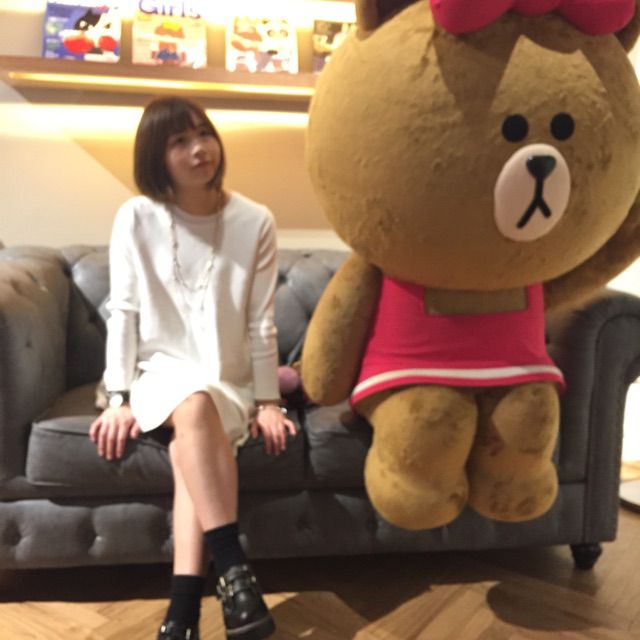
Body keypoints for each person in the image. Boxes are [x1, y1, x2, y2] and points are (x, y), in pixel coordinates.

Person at [89, 95, 296, 640]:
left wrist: (268, 401)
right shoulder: (137, 217)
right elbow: (124, 312)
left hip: (226, 378)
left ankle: (182, 614)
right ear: (156, 156)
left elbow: (261, 322)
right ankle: (234, 570)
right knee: (192, 402)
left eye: (204, 134)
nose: (199, 149)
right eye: (179, 141)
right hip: (158, 373)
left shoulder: (255, 220)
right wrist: (118, 398)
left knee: (192, 442)